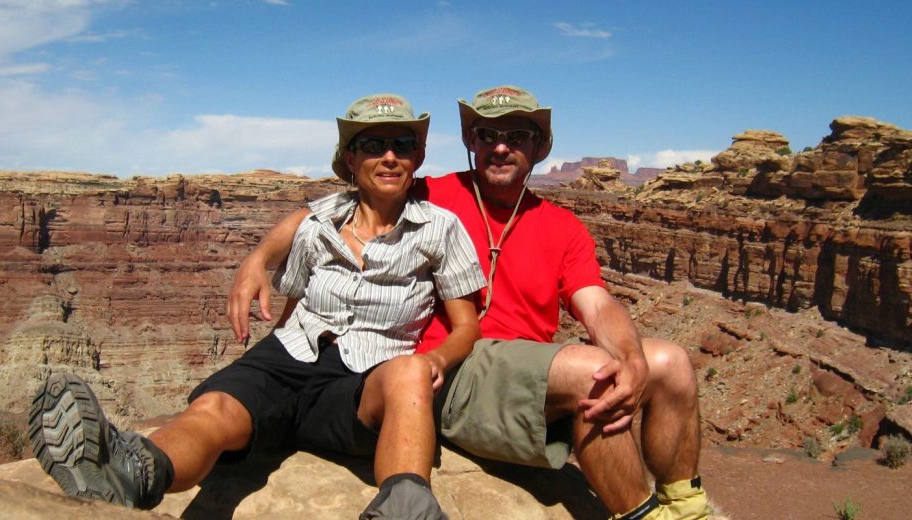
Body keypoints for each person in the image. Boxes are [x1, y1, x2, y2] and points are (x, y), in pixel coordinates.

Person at [229, 86, 711, 520]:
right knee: (593, 373)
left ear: (539, 148)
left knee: (671, 364)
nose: (500, 146)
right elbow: (324, 211)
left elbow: (598, 305)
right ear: (470, 141)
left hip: (520, 373)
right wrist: (258, 259)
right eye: (486, 134)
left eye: (517, 135)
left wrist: (630, 355)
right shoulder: (430, 192)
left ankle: (685, 506)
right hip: (451, 370)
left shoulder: (564, 226)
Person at [30, 93, 486, 518]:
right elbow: (295, 296)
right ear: (351, 158)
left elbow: (467, 327)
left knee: (409, 372)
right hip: (292, 355)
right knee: (216, 408)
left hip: (363, 382)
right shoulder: (318, 222)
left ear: (418, 157)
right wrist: (256, 264)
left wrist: (435, 360)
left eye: (403, 144)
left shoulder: (440, 229)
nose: (389, 156)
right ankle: (130, 471)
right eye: (374, 144)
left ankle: (406, 505)